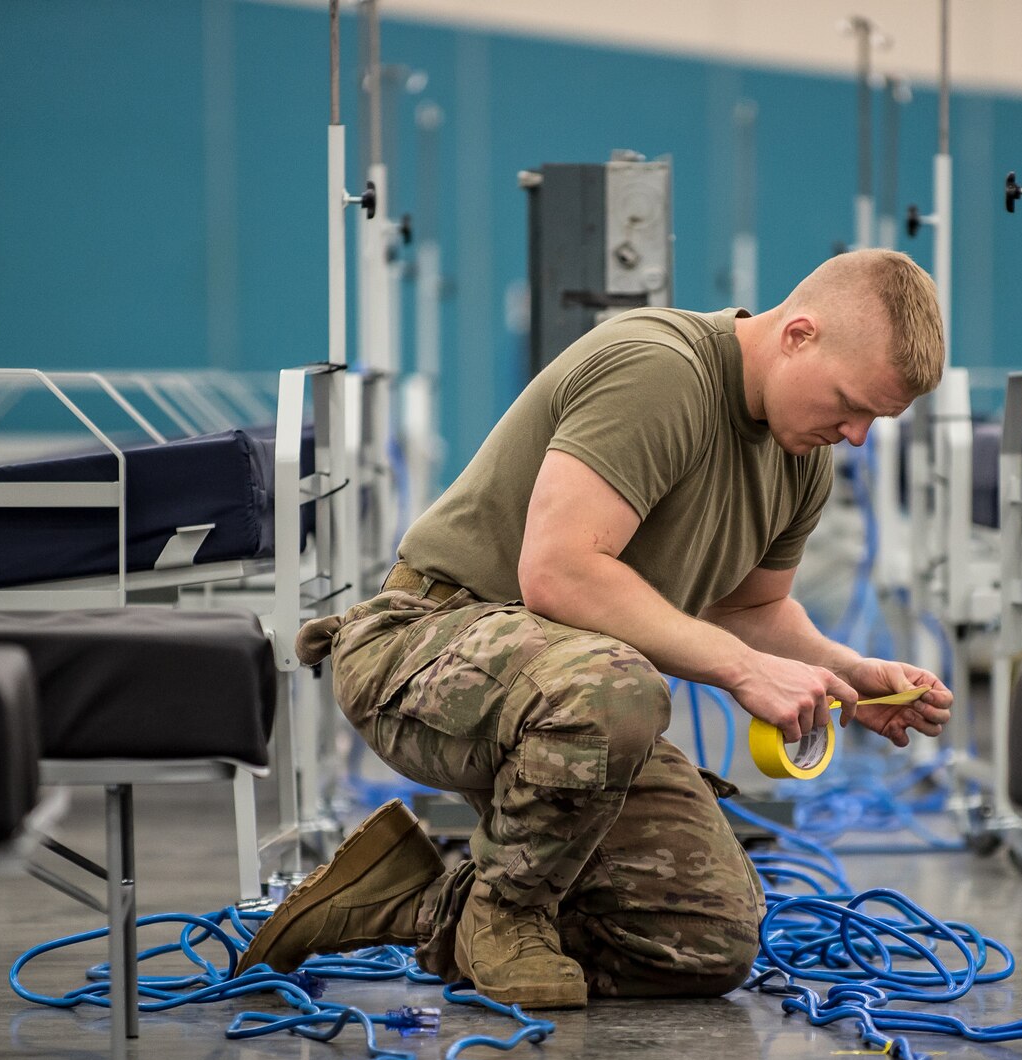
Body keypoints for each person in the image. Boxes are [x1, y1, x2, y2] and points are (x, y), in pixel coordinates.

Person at [235, 248, 952, 1009]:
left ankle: (407, 898)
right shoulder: (660, 372)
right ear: (798, 334)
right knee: (617, 689)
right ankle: (505, 914)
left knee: (708, 940)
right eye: (852, 404)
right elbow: (560, 571)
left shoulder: (798, 454)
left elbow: (752, 609)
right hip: (422, 645)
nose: (858, 435)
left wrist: (847, 674)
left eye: (878, 418)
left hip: (569, 691)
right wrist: (742, 670)